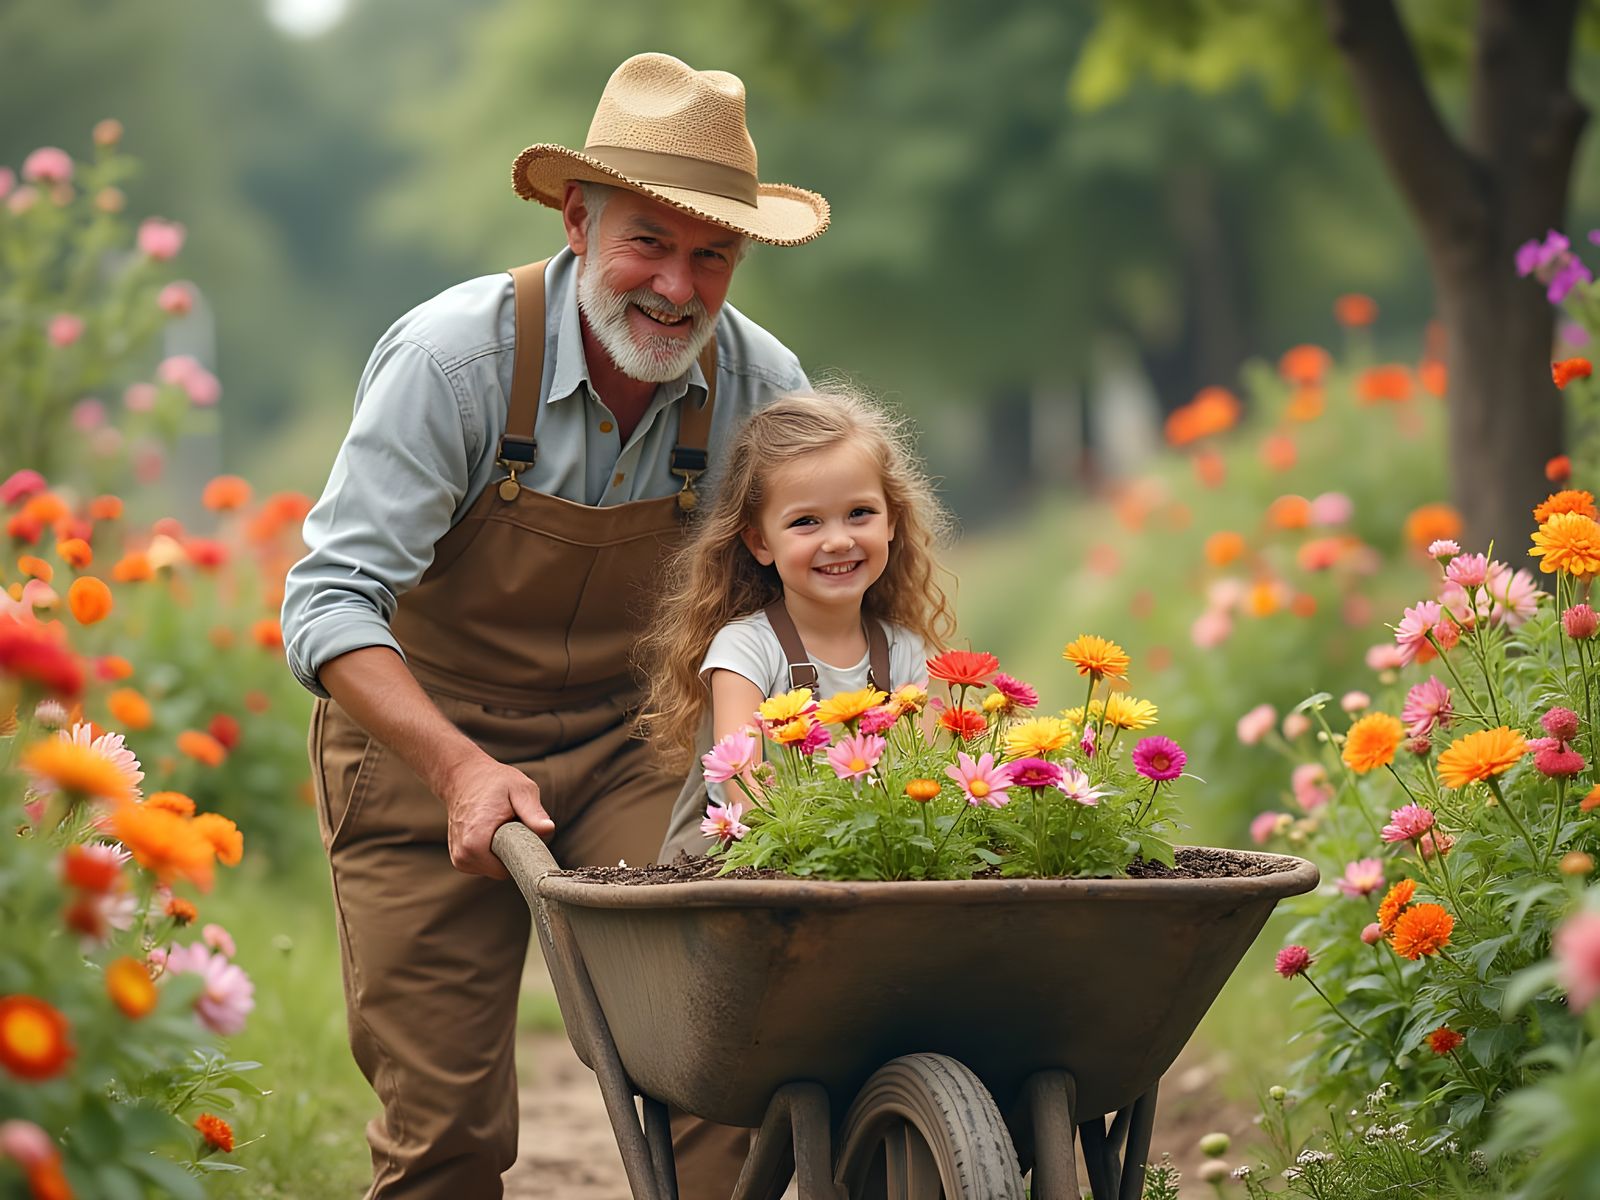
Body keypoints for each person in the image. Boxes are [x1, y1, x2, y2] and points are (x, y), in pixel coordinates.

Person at [281, 52, 828, 1199]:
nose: (676, 287)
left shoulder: (764, 390)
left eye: (710, 253)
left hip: (639, 744)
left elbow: (805, 599)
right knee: (447, 1138)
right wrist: (462, 768)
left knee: (724, 1093)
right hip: (422, 749)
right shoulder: (454, 362)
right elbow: (327, 608)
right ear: (577, 220)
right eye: (647, 241)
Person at [642, 389, 956, 859]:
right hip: (754, 869)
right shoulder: (744, 650)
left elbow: (933, 781)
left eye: (860, 513)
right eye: (807, 522)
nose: (838, 540)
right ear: (760, 542)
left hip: (881, 868)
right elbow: (742, 788)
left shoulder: (906, 652)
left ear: (892, 520)